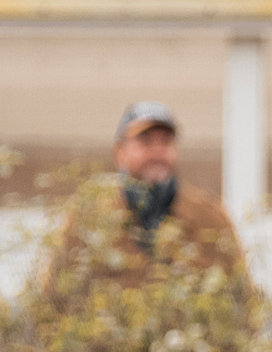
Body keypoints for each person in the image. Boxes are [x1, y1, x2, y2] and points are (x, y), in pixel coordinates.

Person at [48, 101, 243, 287]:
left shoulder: (211, 219)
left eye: (166, 141)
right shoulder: (87, 220)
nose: (157, 152)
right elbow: (52, 298)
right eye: (145, 141)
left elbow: (244, 297)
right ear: (120, 152)